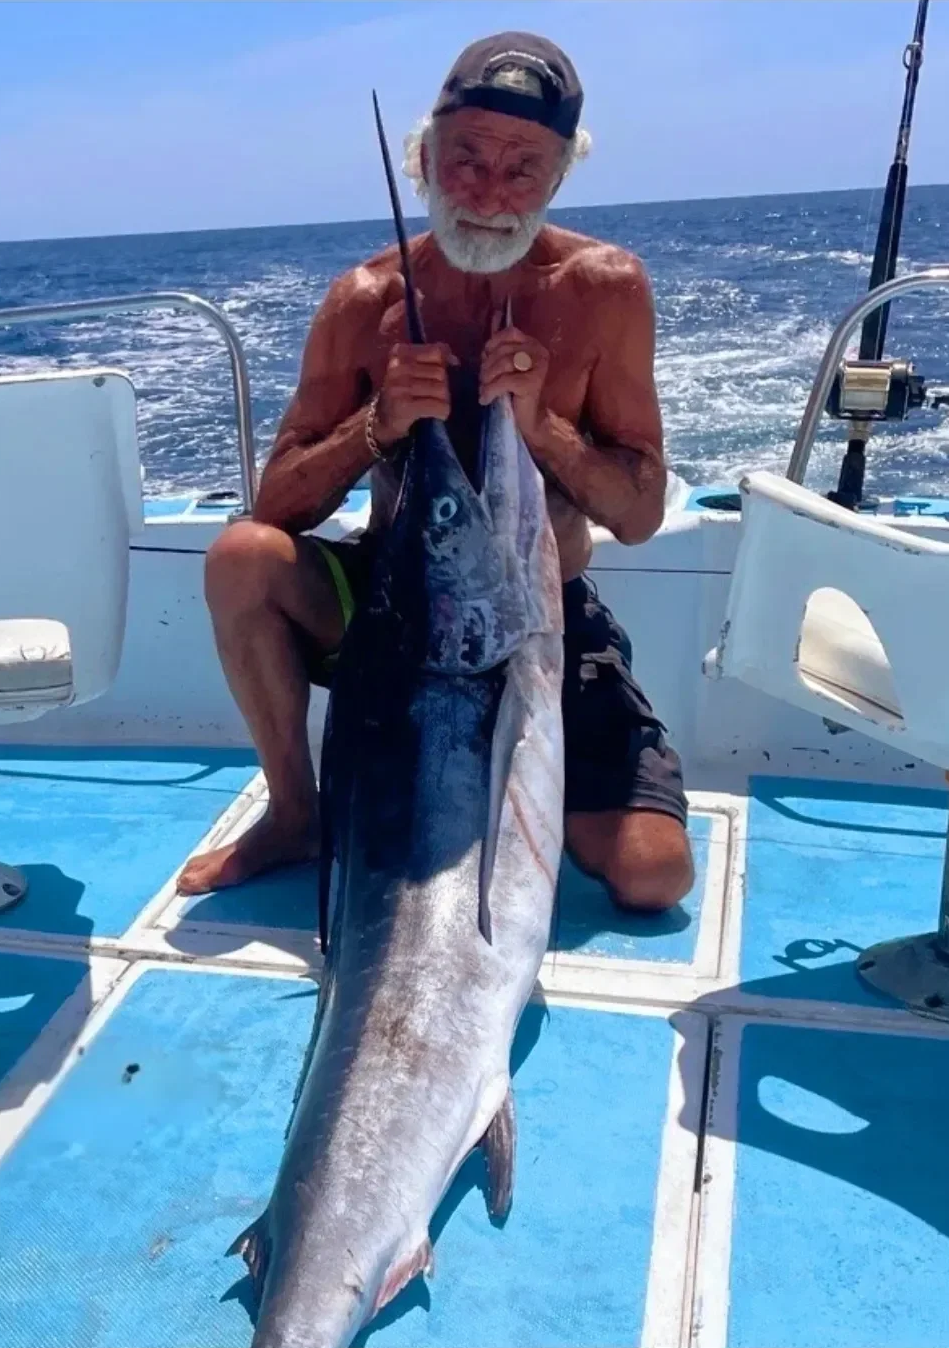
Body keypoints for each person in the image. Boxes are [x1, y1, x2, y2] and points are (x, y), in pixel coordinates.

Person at [177, 31, 694, 911]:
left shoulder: (606, 289)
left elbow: (640, 513)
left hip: (543, 615)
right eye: (467, 160)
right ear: (421, 160)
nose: (490, 193)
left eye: (522, 169)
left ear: (559, 178)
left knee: (653, 874)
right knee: (241, 559)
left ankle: (538, 786)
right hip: (393, 604)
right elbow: (276, 505)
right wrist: (376, 426)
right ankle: (296, 811)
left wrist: (544, 428)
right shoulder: (363, 301)